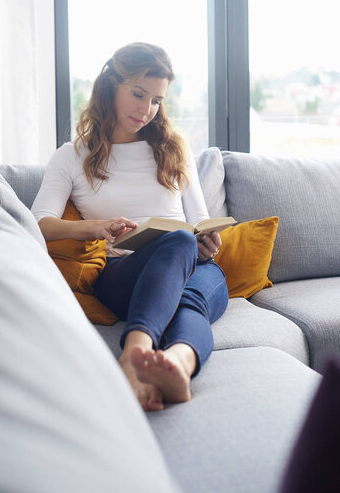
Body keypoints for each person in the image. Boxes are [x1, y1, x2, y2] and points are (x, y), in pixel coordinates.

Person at [31, 42, 228, 411]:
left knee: (186, 257)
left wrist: (206, 238)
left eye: (156, 100)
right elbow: (38, 224)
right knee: (178, 244)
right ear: (110, 87)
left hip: (193, 268)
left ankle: (178, 367)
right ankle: (134, 357)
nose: (146, 109)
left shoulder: (174, 148)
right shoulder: (72, 156)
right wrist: (93, 228)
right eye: (138, 94)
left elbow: (198, 220)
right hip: (123, 272)